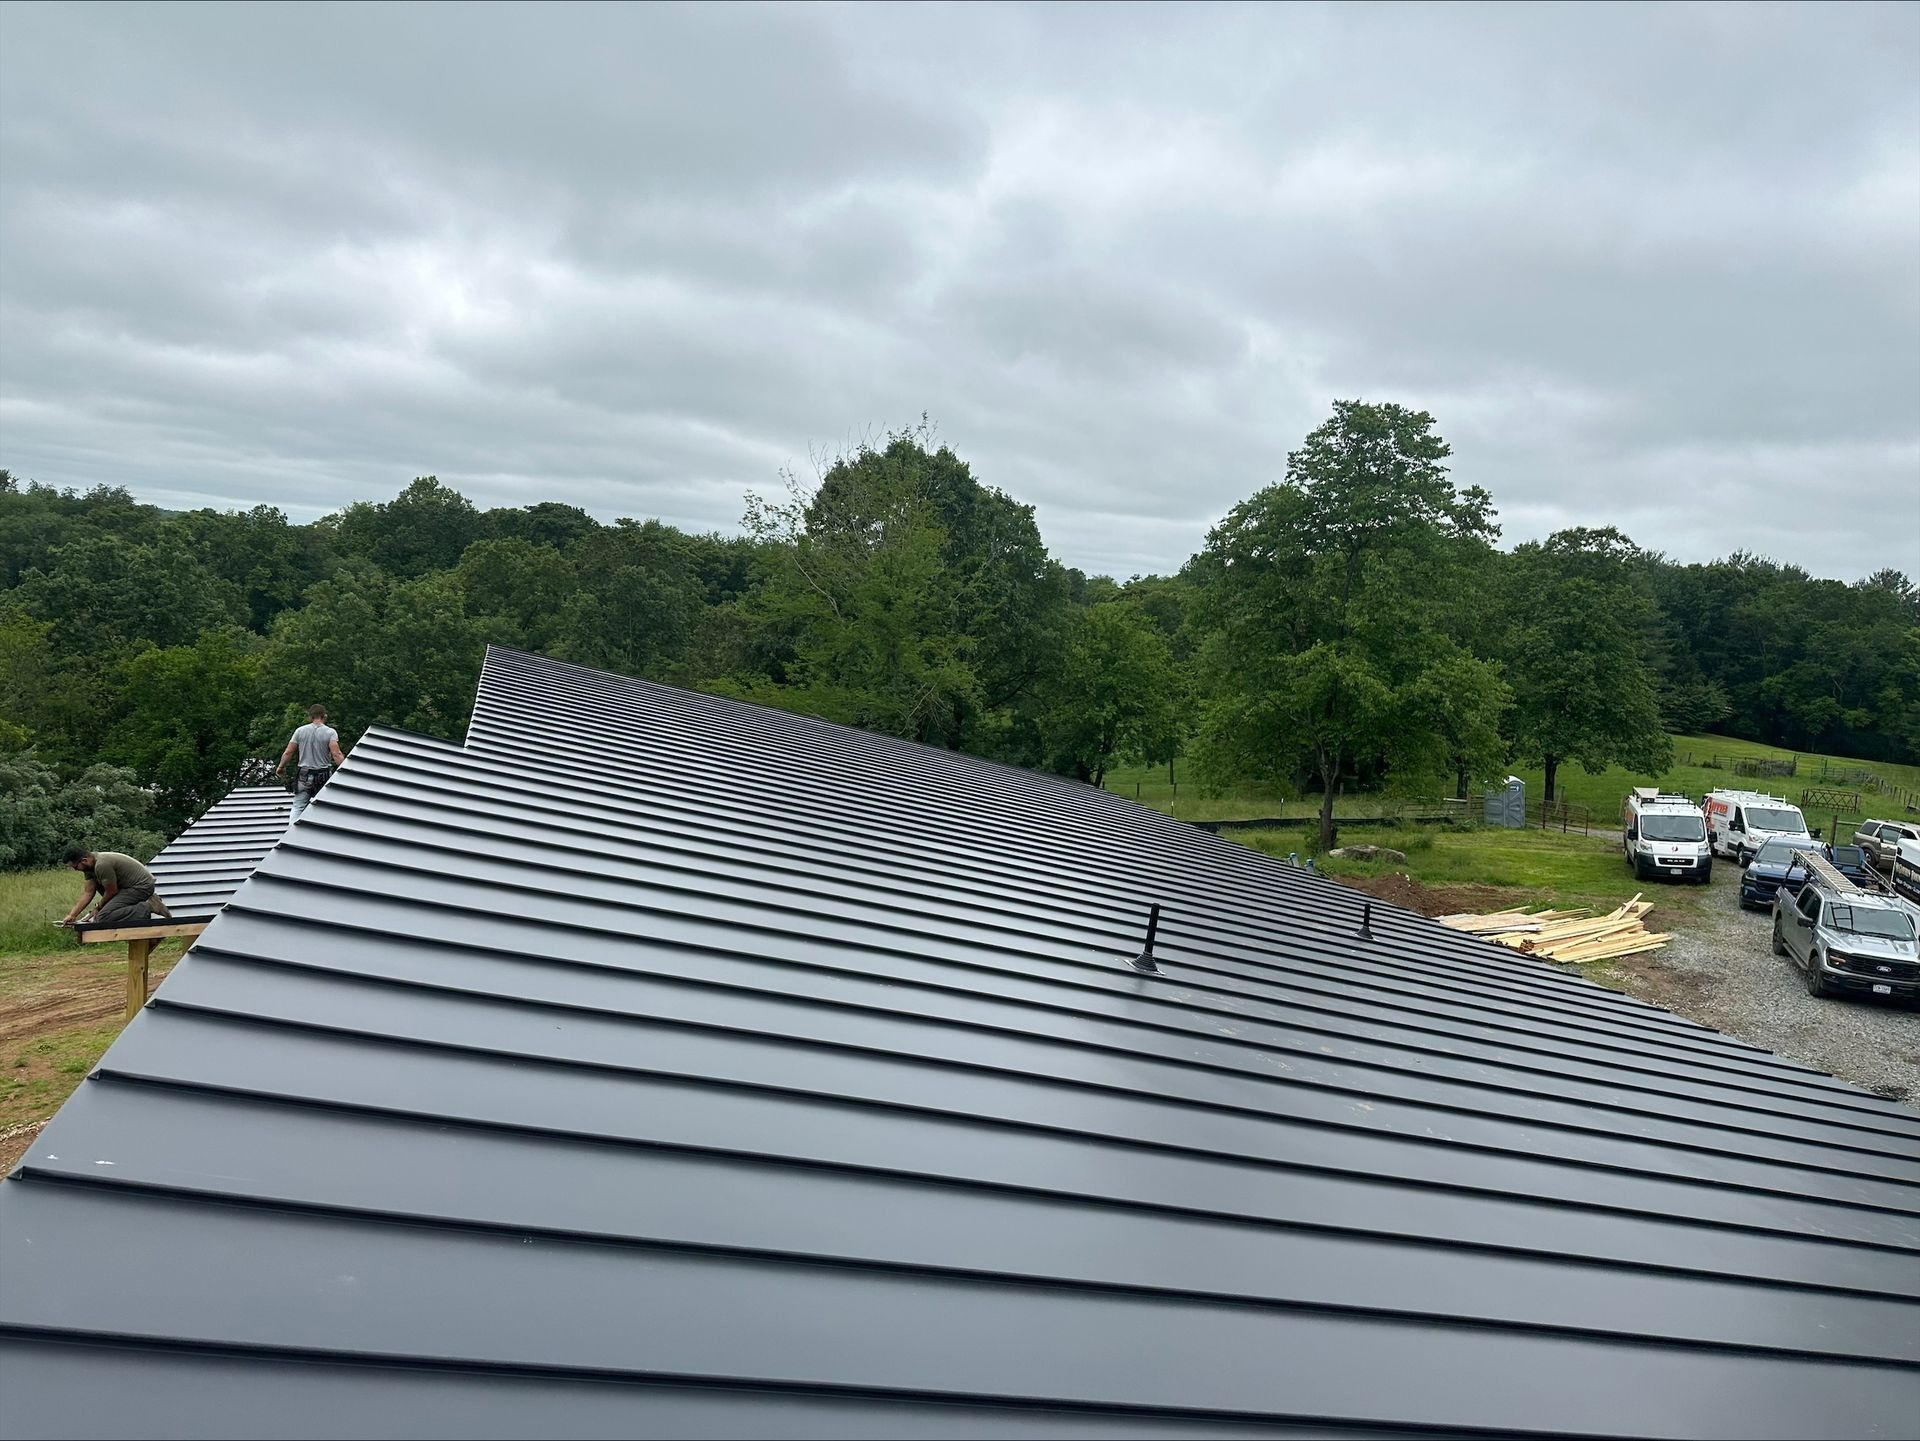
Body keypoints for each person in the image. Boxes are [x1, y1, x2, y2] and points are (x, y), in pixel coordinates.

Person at [60, 847, 169, 929]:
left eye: (75, 867)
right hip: (126, 888)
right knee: (101, 916)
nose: (76, 870)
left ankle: (147, 907)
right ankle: (139, 907)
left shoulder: (102, 865)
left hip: (141, 887)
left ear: (84, 860)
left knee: (103, 917)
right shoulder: (89, 867)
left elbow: (111, 891)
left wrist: (98, 907)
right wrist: (72, 915)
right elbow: (88, 893)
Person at [276, 704, 346, 823]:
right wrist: (345, 771)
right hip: (322, 774)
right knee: (324, 806)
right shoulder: (330, 733)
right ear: (325, 716)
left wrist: (280, 767)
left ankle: (291, 834)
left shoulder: (299, 731)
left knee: (298, 806)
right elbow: (336, 754)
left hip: (304, 774)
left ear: (310, 717)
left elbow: (288, 752)